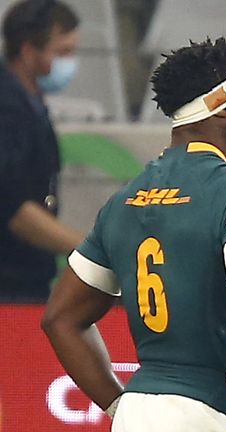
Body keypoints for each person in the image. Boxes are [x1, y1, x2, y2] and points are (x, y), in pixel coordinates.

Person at [42, 38, 226, 432]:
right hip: (210, 412)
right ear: (219, 107)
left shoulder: (123, 199)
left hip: (138, 413)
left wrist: (119, 406)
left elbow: (60, 318)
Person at [0, 0, 83, 302]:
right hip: (9, 284)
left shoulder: (30, 105)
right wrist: (87, 247)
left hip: (27, 277)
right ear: (27, 50)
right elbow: (13, 210)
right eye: (62, 52)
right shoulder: (7, 111)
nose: (70, 64)